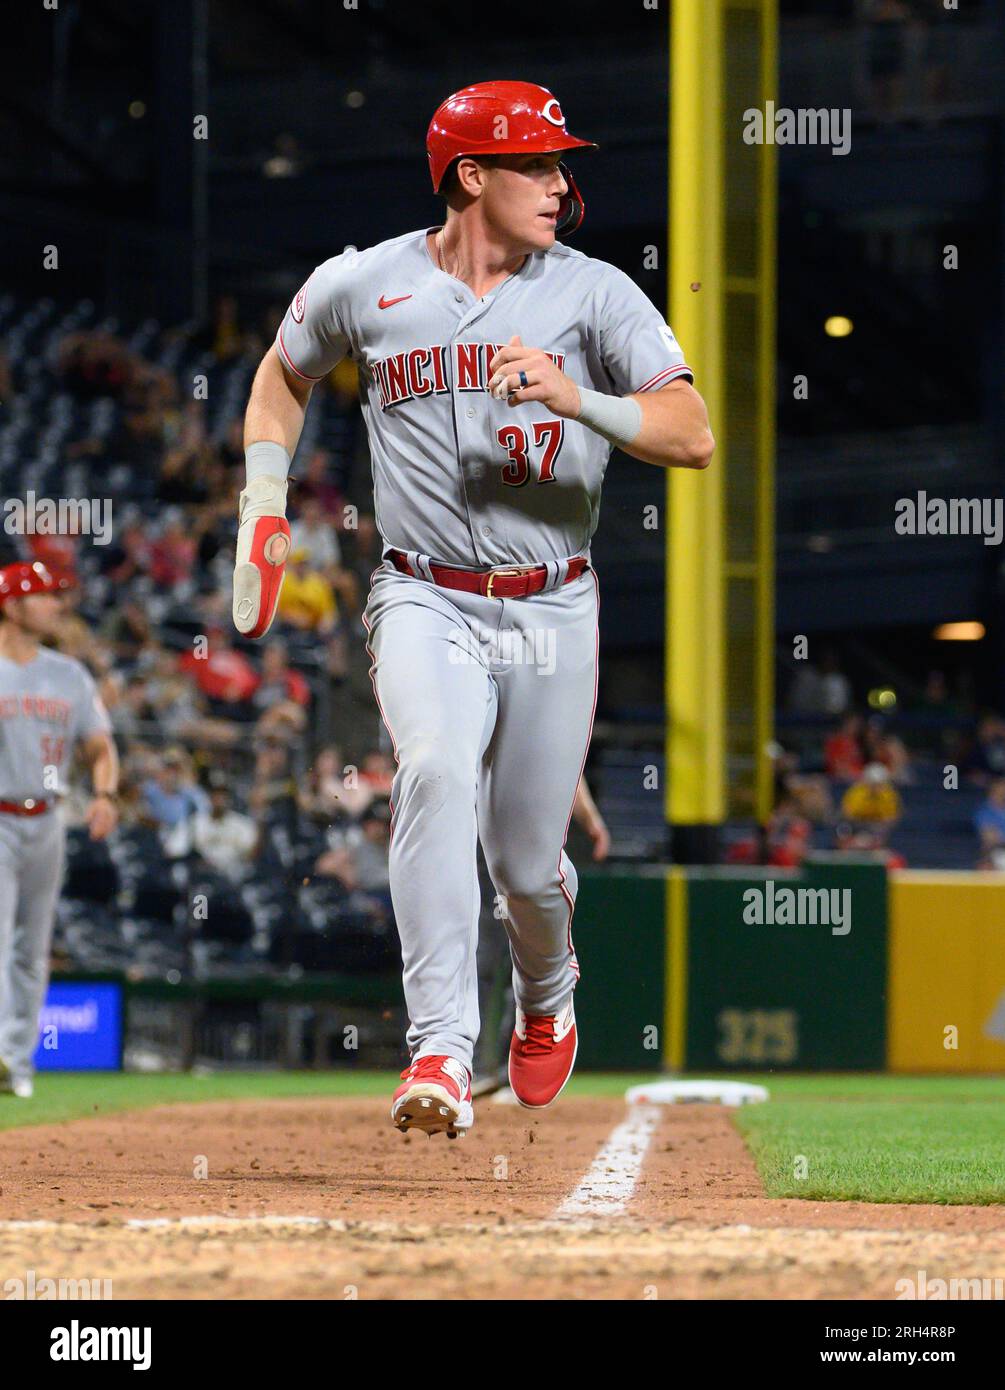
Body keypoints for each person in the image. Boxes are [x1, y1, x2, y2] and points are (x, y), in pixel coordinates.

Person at [232, 80, 713, 1137]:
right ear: (469, 176)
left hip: (552, 607)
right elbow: (280, 374)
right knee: (436, 770)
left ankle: (547, 996)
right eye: (536, 164)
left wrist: (579, 395)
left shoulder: (594, 294)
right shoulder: (365, 284)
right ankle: (441, 1048)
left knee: (527, 868)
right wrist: (264, 498)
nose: (558, 183)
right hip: (422, 593)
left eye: (559, 163)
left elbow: (691, 432)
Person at [0, 563, 119, 1100]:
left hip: (46, 820)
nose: (56, 605)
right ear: (12, 604)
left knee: (32, 949)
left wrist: (105, 794)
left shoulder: (69, 674)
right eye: (44, 595)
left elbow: (100, 746)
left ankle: (17, 1065)